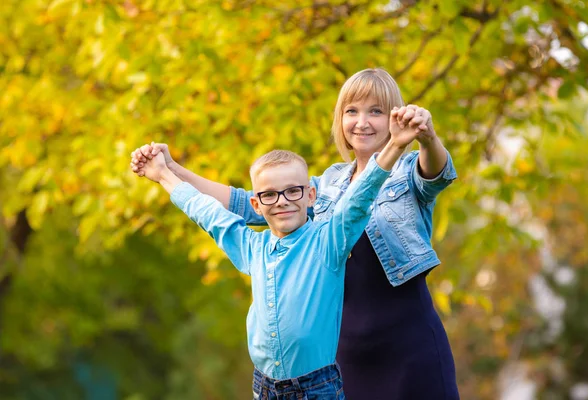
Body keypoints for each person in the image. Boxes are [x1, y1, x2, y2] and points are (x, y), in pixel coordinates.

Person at [131, 68, 460, 399]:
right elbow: (245, 204)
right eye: (352, 111)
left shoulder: (407, 171)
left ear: (393, 118)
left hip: (409, 346)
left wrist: (426, 136)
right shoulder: (327, 184)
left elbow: (436, 172)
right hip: (344, 356)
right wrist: (171, 170)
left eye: (375, 111)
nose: (362, 121)